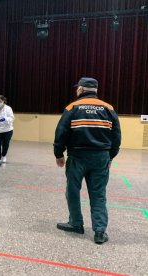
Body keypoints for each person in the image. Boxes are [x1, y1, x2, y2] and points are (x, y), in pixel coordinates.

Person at [53, 77, 121, 245]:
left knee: (73, 191)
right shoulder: (108, 108)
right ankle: (99, 231)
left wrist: (58, 154)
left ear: (81, 90)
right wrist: (110, 156)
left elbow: (61, 132)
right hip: (101, 157)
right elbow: (117, 136)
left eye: (78, 89)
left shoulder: (72, 107)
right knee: (98, 194)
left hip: (77, 157)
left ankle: (76, 223)